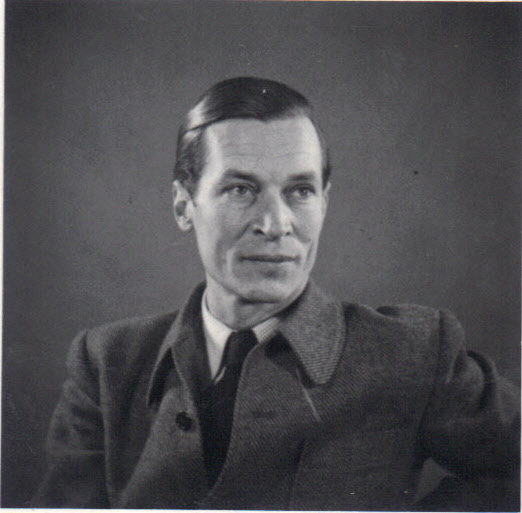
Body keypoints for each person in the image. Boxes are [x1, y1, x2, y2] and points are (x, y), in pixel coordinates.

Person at [33, 77, 519, 510]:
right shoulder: (107, 362)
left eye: (300, 191)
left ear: (324, 203)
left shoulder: (412, 352)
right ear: (184, 206)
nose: (275, 224)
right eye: (241, 190)